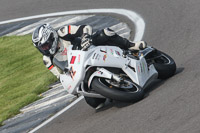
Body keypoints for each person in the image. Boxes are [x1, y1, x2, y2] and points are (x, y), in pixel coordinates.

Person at [32, 23, 147, 109]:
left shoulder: (63, 32)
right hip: (80, 71)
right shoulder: (47, 60)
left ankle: (131, 46)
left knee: (105, 33)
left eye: (46, 45)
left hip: (88, 49)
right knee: (95, 104)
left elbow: (85, 28)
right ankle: (110, 87)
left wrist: (85, 37)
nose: (45, 49)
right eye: (41, 48)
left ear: (52, 36)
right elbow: (60, 76)